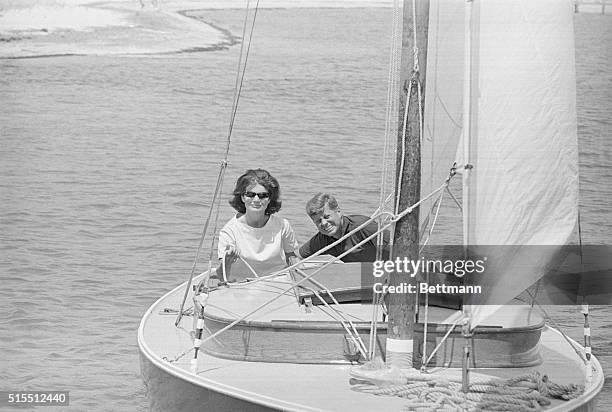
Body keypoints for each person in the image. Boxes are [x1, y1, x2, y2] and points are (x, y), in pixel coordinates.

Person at [215, 169, 299, 281]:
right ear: (242, 197)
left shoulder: (283, 225)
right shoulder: (229, 231)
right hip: (242, 285)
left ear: (270, 199)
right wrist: (227, 261)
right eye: (250, 194)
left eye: (262, 195)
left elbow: (292, 259)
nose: (256, 200)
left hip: (278, 283)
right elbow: (221, 276)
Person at [298, 193, 388, 263]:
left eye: (327, 217)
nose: (324, 223)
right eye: (318, 221)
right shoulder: (322, 239)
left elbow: (397, 246)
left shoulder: (364, 226)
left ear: (338, 211)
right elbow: (296, 256)